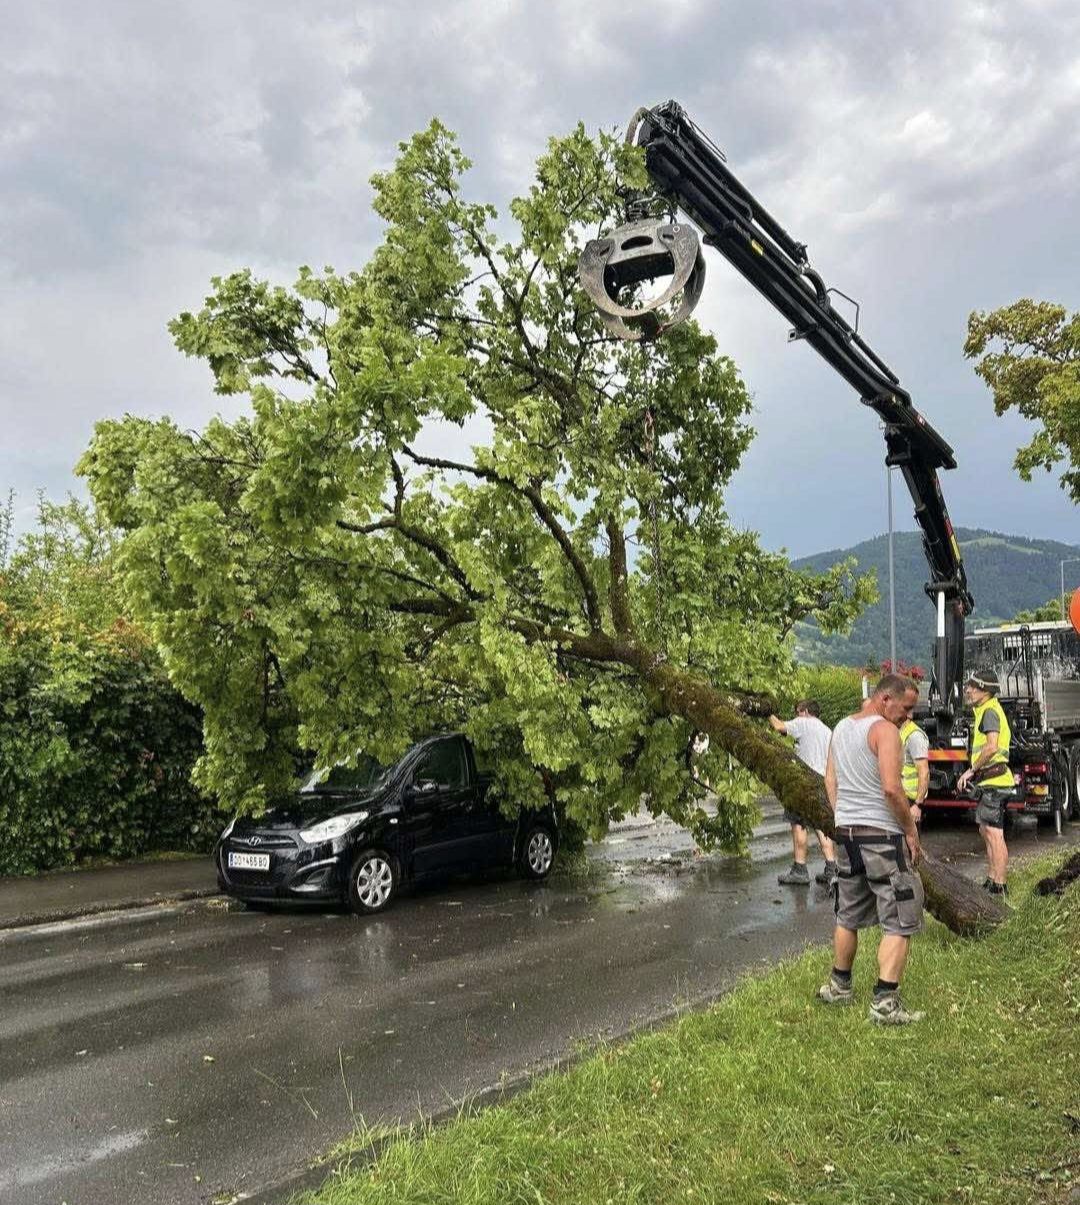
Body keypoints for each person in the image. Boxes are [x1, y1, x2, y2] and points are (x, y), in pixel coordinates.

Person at [817, 674, 925, 1025]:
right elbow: (892, 789)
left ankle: (839, 986)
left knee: (847, 914)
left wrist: (843, 816)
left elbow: (830, 779)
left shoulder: (841, 727)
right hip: (882, 837)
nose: (908, 716)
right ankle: (885, 1002)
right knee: (899, 916)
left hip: (847, 835)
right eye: (905, 708)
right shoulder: (885, 731)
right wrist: (910, 831)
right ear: (885, 699)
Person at [956, 669, 1013, 895]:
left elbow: (991, 747)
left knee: (994, 833)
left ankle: (1000, 885)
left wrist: (970, 771)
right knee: (985, 830)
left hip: (995, 781)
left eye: (973, 687)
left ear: (985, 690)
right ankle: (992, 879)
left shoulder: (989, 711)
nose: (968, 690)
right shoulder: (985, 710)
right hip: (992, 780)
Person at [768, 701, 837, 886]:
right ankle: (832, 868)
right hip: (821, 781)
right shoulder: (827, 731)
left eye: (797, 712)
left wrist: (766, 711)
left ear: (805, 711)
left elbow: (779, 726)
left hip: (802, 782)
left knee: (799, 824)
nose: (796, 715)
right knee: (821, 826)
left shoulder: (803, 722)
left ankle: (800, 869)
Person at [900, 716, 930, 823]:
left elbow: (924, 772)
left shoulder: (914, 736)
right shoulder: (900, 732)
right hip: (901, 796)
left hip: (911, 801)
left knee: (910, 833)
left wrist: (918, 805)